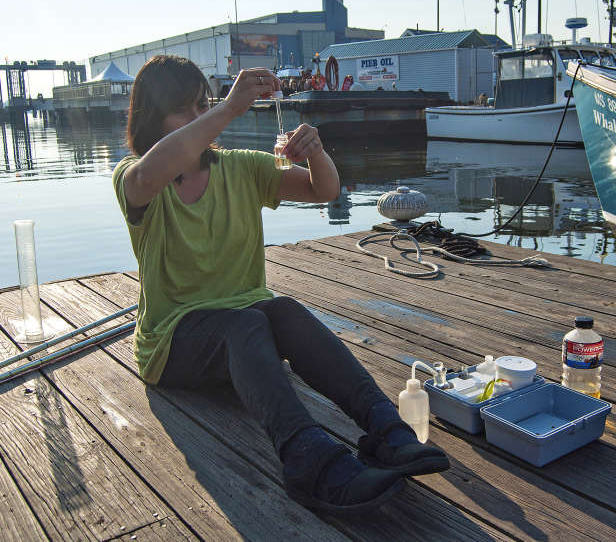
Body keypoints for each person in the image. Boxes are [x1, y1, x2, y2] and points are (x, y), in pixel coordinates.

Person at [113, 55, 448, 515]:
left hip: (244, 329)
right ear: (153, 117)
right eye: (183, 109)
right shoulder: (134, 178)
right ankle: (310, 461)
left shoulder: (241, 167)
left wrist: (316, 151)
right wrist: (229, 108)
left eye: (201, 105)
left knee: (281, 310)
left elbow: (323, 191)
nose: (199, 118)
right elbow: (150, 174)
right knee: (243, 326)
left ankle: (388, 430)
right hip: (173, 344)